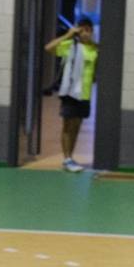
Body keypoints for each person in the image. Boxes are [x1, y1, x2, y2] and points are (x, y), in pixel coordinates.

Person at [46, 17, 98, 173]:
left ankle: (71, 157)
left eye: (88, 30)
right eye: (82, 30)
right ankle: (67, 158)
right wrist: (68, 35)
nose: (85, 33)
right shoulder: (70, 46)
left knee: (77, 125)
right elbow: (48, 48)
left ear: (92, 31)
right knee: (67, 125)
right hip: (70, 91)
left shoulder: (95, 49)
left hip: (85, 94)